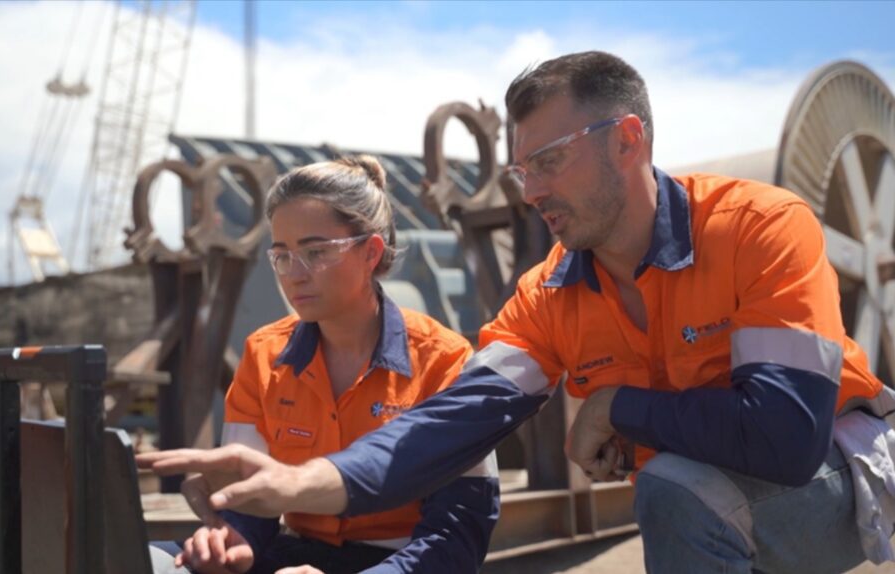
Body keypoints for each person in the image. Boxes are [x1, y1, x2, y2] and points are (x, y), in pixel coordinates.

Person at [140, 52, 895, 573]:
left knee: (675, 486)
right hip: (709, 492)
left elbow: (785, 437)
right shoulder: (550, 293)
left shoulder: (758, 227)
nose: (530, 191)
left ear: (627, 140)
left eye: (549, 161)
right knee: (681, 486)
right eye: (519, 168)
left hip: (834, 475)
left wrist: (617, 406)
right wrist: (299, 485)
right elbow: (457, 419)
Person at [151, 155, 499, 574]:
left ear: (371, 252)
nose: (294, 274)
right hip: (293, 555)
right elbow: (251, 501)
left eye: (316, 252)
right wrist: (233, 541)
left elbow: (457, 535)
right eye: (282, 255)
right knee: (143, 561)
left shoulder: (445, 361)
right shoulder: (264, 355)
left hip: (398, 563)